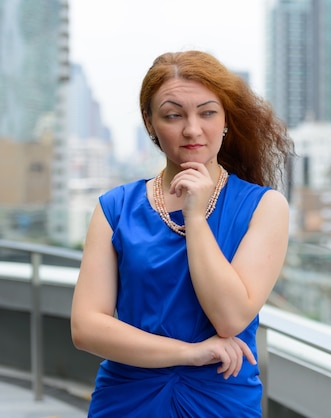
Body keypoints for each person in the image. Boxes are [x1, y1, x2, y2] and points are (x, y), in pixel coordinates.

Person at [71, 50, 293, 417]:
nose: (192, 129)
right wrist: (189, 353)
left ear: (225, 120)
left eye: (207, 112)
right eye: (173, 115)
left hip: (220, 401)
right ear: (150, 123)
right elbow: (86, 327)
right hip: (127, 400)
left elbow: (230, 317)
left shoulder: (264, 207)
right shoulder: (115, 208)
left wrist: (196, 215)